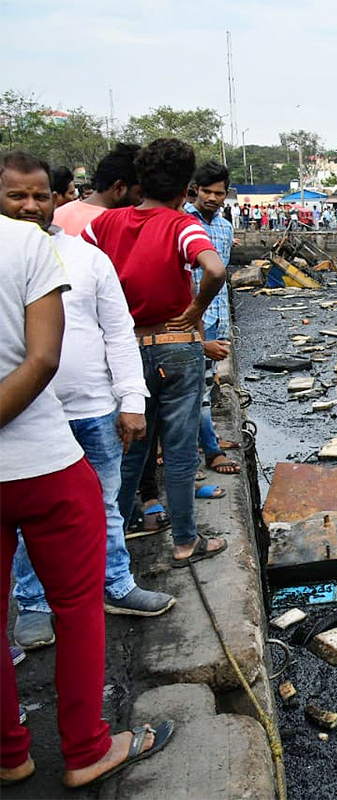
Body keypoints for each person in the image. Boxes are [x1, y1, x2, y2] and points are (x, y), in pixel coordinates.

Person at [0, 177, 174, 788]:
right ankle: (82, 748)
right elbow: (42, 358)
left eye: (39, 194)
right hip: (40, 449)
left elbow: (118, 333)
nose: (29, 205)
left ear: (57, 198)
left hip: (91, 411)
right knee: (76, 606)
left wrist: (131, 398)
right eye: (15, 193)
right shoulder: (28, 252)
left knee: (106, 512)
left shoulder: (84, 256)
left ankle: (11, 752)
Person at [82, 138, 228, 567]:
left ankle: (119, 537)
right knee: (180, 449)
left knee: (130, 448)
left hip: (124, 347)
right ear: (186, 188)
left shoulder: (104, 225)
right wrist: (195, 310)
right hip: (174, 345)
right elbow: (215, 269)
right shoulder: (182, 225)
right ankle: (185, 541)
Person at [184, 161, 240, 479]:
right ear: (195, 189)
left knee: (203, 387)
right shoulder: (181, 223)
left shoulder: (225, 227)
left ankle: (205, 444)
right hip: (189, 319)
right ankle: (209, 450)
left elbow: (221, 279)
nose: (213, 198)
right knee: (192, 391)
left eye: (219, 193)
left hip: (216, 317)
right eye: (207, 191)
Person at [53, 144, 140, 236]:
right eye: (140, 195)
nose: (142, 202)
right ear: (119, 188)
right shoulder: (116, 226)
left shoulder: (57, 214)